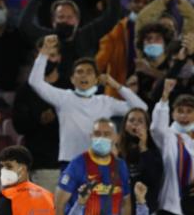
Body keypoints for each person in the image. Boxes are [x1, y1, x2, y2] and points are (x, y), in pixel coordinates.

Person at [29, 35, 147, 167]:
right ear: (72, 79)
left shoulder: (106, 102)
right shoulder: (63, 98)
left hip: (100, 161)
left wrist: (116, 86)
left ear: (97, 79)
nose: (84, 75)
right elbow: (35, 82)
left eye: (89, 72)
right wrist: (44, 51)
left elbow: (141, 109)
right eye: (79, 72)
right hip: (70, 162)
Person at [55, 118, 132, 215]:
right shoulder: (78, 164)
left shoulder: (121, 166)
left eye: (107, 134)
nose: (101, 138)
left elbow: (126, 204)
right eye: (97, 133)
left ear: (116, 138)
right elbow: (58, 206)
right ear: (91, 136)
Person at [20, 0, 122, 87]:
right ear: (53, 21)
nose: (65, 20)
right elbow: (25, 24)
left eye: (69, 17)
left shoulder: (87, 35)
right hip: (50, 92)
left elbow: (111, 19)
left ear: (77, 20)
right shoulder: (47, 38)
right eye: (61, 17)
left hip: (80, 92)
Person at [13, 38, 61, 193]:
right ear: (36, 58)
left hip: (72, 161)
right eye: (43, 55)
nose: (48, 60)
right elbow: (19, 125)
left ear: (60, 57)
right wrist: (38, 120)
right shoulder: (25, 91)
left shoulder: (69, 87)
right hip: (42, 163)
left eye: (52, 55)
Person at [150, 80, 194, 215]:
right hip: (171, 207)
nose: (184, 116)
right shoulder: (168, 136)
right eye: (179, 111)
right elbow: (156, 128)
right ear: (172, 114)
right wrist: (165, 97)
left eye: (189, 111)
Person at [117, 108, 163, 215]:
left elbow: (154, 179)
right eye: (131, 120)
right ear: (125, 124)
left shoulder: (153, 150)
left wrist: (143, 147)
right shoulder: (116, 150)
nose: (135, 124)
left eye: (140, 121)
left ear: (147, 127)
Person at [95, 0, 152, 98]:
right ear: (130, 4)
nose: (141, 5)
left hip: (149, 94)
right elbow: (100, 61)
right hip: (118, 94)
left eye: (146, 2)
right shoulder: (117, 32)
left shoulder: (158, 30)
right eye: (137, 1)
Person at [134, 22, 174, 107]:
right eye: (148, 39)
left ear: (165, 43)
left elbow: (175, 83)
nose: (152, 41)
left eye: (157, 39)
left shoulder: (173, 64)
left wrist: (149, 71)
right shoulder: (136, 67)